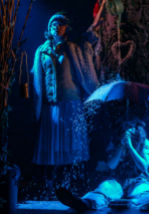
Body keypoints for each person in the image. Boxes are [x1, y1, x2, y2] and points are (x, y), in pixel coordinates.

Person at [31, 0, 107, 166]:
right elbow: (37, 80)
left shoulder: (73, 49)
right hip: (52, 106)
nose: (57, 26)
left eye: (61, 24)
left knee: (71, 148)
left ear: (66, 28)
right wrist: (36, 106)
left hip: (72, 103)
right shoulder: (42, 51)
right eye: (54, 23)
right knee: (52, 149)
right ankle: (52, 184)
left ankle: (70, 184)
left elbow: (84, 67)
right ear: (49, 28)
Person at [56, 119, 149, 212]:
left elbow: (143, 167)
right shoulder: (116, 142)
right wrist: (121, 145)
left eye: (132, 129)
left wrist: (130, 146)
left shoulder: (145, 143)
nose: (129, 131)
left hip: (139, 180)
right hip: (118, 181)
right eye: (126, 128)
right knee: (103, 190)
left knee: (143, 192)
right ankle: (83, 203)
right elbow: (111, 165)